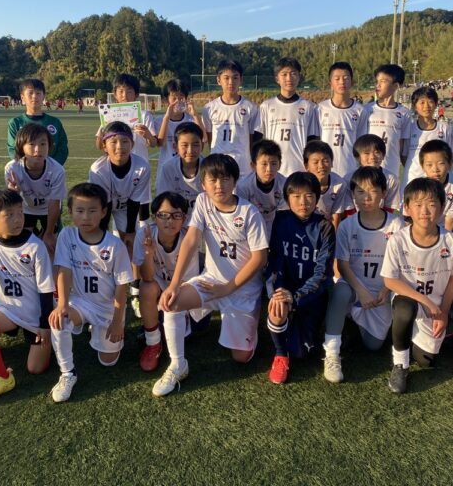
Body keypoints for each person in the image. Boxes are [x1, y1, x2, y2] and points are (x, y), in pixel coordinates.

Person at [155, 154, 268, 396]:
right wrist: (174, 284)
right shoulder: (203, 201)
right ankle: (178, 364)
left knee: (241, 357)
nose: (219, 185)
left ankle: (253, 316)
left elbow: (260, 258)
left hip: (242, 289)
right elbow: (191, 240)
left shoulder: (249, 213)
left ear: (235, 181)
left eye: (225, 179)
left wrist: (227, 288)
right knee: (172, 302)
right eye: (213, 180)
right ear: (203, 183)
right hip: (211, 281)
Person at [0, 189, 56, 407]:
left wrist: (44, 325)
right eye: (9, 215)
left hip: (36, 314)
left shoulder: (35, 246)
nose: (18, 219)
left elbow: (46, 289)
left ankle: (46, 335)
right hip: (7, 309)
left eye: (20, 212)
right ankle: (2, 378)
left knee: (36, 369)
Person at [48, 183, 133, 402]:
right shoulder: (67, 235)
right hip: (80, 302)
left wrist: (117, 322)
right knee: (59, 320)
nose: (85, 217)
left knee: (108, 361)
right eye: (80, 210)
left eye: (92, 211)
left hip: (107, 307)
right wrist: (62, 305)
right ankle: (67, 373)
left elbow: (122, 287)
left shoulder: (115, 245)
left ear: (104, 212)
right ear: (70, 212)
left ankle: (94, 328)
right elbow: (64, 270)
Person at [381, 178, 453, 394]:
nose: (425, 211)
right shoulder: (398, 240)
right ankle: (400, 364)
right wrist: (425, 301)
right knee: (404, 307)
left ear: (442, 207)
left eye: (431, 204)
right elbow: (390, 280)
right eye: (418, 204)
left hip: (435, 308)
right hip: (411, 301)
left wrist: (443, 312)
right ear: (407, 208)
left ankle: (432, 333)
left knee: (427, 361)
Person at [324, 167, 404, 382]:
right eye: (360, 191)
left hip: (382, 292)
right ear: (353, 195)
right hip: (355, 286)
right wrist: (361, 291)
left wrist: (385, 290)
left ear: (384, 193)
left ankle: (350, 323)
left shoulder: (396, 224)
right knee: (340, 291)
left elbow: (400, 265)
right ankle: (332, 353)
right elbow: (343, 265)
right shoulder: (347, 225)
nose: (366, 197)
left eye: (373, 191)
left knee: (373, 345)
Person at [265, 172, 335, 384]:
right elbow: (275, 261)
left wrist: (296, 297)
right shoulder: (280, 221)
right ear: (287, 199)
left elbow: (322, 273)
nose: (303, 202)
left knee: (302, 352)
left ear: (317, 198)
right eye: (296, 196)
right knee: (277, 307)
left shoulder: (324, 227)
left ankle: (301, 334)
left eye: (309, 196)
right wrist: (279, 291)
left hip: (311, 294)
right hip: (285, 288)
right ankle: (280, 355)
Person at [89, 120, 152, 315]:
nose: (119, 147)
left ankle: (135, 290)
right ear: (104, 146)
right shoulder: (98, 169)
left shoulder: (142, 166)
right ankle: (103, 292)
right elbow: (103, 206)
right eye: (113, 142)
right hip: (102, 207)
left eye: (125, 141)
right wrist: (101, 237)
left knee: (132, 245)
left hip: (127, 207)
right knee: (101, 247)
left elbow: (135, 202)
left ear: (132, 144)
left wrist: (130, 233)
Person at [133, 191, 197, 372]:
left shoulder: (188, 237)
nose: (170, 221)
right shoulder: (145, 234)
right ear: (154, 217)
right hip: (159, 284)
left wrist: (171, 294)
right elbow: (147, 277)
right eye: (163, 215)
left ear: (184, 218)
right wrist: (148, 252)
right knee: (146, 288)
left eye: (176, 215)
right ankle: (153, 342)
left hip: (183, 285)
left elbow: (188, 281)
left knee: (194, 328)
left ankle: (165, 320)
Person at [4, 123, 66, 255]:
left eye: (43, 144)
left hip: (48, 210)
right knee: (25, 247)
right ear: (21, 146)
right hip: (26, 209)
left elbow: (55, 203)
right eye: (31, 144)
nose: (38, 149)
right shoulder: (12, 168)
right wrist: (14, 193)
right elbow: (12, 204)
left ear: (49, 146)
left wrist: (49, 233)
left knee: (50, 247)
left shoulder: (57, 170)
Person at [257, 57, 320, 176]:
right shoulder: (266, 106)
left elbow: (312, 141)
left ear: (299, 77)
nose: (289, 78)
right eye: (284, 74)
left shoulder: (309, 107)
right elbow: (258, 139)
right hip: (272, 170)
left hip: (299, 170)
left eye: (293, 74)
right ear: (277, 78)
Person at [200, 60, 260, 175]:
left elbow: (252, 139)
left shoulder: (251, 108)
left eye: (235, 78)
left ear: (241, 80)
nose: (231, 82)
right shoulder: (209, 108)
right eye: (226, 78)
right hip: (218, 165)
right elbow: (210, 138)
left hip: (243, 167)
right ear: (218, 80)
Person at [357, 64, 410, 179]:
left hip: (391, 173)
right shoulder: (366, 110)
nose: (378, 85)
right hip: (368, 173)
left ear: (395, 86)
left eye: (383, 81)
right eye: (377, 81)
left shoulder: (404, 113)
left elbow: (402, 149)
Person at [402, 87, 453, 194]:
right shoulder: (409, 128)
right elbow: (404, 156)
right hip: (412, 180)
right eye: (422, 102)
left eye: (430, 102)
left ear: (435, 104)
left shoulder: (444, 128)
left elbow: (450, 155)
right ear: (414, 106)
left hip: (437, 182)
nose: (426, 106)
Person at [96, 74, 157, 163]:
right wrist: (100, 136)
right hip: (115, 165)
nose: (124, 95)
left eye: (129, 91)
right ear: (115, 94)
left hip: (139, 165)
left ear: (136, 94)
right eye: (121, 91)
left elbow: (154, 144)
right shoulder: (109, 114)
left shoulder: (145, 115)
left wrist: (147, 134)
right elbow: (100, 146)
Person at [316, 62, 363, 178]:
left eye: (346, 78)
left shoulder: (360, 111)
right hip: (324, 171)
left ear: (352, 82)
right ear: (330, 83)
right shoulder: (320, 109)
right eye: (337, 79)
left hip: (351, 170)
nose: (342, 82)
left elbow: (362, 144)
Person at [7, 78, 69, 166]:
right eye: (30, 93)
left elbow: (63, 149)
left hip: (51, 171)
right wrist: (27, 167)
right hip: (25, 170)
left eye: (38, 93)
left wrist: (50, 166)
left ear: (43, 96)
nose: (34, 96)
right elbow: (12, 149)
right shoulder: (15, 123)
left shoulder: (55, 122)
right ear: (22, 97)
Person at [235, 139, 287, 240]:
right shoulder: (243, 186)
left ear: (280, 165)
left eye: (273, 163)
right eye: (264, 164)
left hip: (276, 226)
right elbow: (242, 216)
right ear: (253, 165)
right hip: (252, 227)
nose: (269, 169)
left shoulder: (284, 184)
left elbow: (284, 216)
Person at [155, 122, 205, 213]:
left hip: (204, 218)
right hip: (178, 218)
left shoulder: (209, 168)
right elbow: (163, 201)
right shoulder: (168, 168)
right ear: (175, 147)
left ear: (202, 146)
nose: (190, 151)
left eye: (195, 145)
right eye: (185, 145)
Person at [418, 139, 453, 234]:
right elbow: (411, 218)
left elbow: (450, 221)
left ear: (450, 164)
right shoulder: (416, 186)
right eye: (429, 165)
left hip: (443, 229)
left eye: (441, 164)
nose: (435, 169)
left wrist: (441, 239)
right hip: (422, 227)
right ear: (422, 166)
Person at [155, 79, 204, 166]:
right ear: (166, 100)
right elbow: (161, 143)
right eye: (174, 98)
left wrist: (195, 115)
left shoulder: (191, 119)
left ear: (186, 99)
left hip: (188, 166)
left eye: (181, 97)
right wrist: (166, 118)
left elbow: (204, 139)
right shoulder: (159, 120)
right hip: (166, 166)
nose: (178, 101)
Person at [303, 140, 349, 235]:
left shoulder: (339, 184)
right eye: (315, 162)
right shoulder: (300, 183)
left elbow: (336, 215)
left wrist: (333, 239)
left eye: (325, 161)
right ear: (306, 165)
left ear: (332, 163)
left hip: (326, 227)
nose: (321, 166)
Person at [351, 134, 400, 212]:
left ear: (383, 155)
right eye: (367, 153)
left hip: (381, 218)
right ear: (357, 157)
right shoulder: (349, 178)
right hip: (355, 218)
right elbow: (348, 208)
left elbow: (390, 207)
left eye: (377, 152)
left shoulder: (391, 179)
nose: (372, 157)